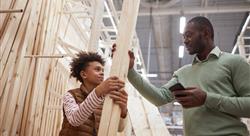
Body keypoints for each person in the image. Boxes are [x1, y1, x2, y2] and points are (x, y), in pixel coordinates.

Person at [127, 16, 250, 136]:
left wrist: (207, 98)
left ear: (206, 33)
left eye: (189, 35)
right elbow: (159, 98)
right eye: (184, 37)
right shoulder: (183, 73)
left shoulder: (234, 62)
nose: (185, 40)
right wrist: (131, 71)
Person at [59, 51, 128, 136]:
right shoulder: (70, 95)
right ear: (84, 74)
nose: (102, 73)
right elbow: (74, 119)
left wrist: (123, 111)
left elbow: (119, 128)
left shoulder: (105, 100)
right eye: (97, 69)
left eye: (103, 70)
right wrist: (98, 91)